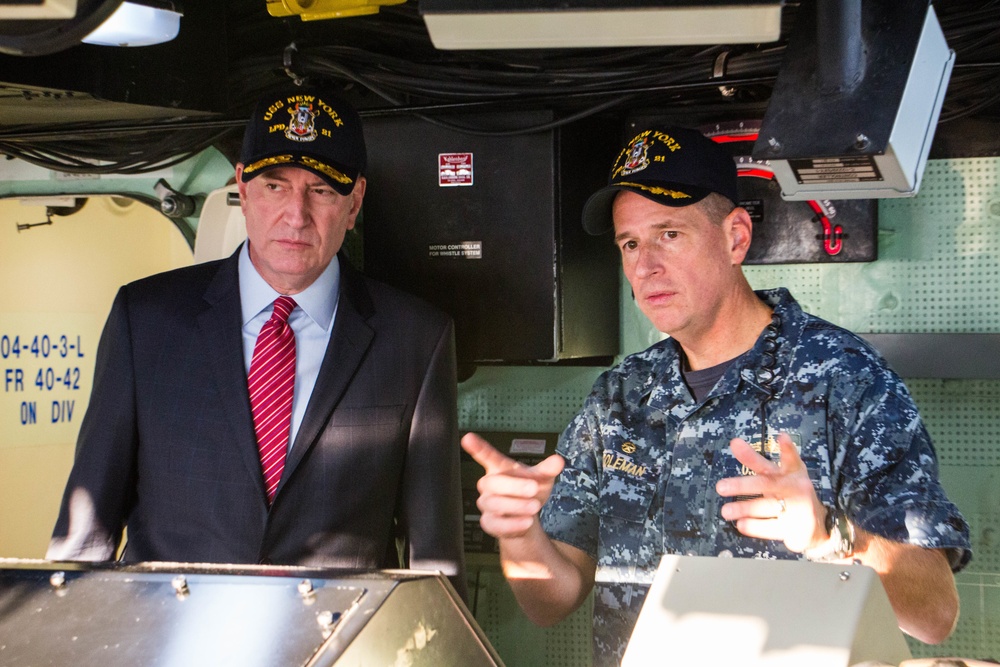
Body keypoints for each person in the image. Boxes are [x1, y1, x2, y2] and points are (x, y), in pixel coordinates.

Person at [462, 126, 971, 664]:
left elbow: (935, 614)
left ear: (735, 237)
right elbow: (551, 600)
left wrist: (830, 537)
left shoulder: (844, 378)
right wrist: (519, 536)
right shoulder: (618, 396)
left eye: (670, 234)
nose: (644, 265)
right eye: (630, 243)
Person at [48, 84, 466, 597]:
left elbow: (436, 572)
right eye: (275, 185)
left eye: (321, 190)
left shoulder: (417, 339)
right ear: (242, 188)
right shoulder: (146, 321)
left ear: (354, 202)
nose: (296, 214)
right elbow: (84, 538)